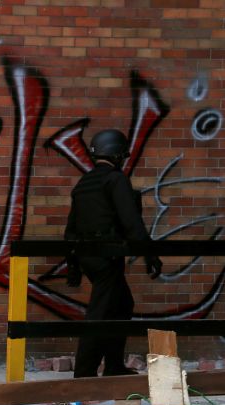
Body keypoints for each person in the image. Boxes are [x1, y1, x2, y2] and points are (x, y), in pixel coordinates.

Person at [64, 129, 162, 378]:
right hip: (107, 257)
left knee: (122, 304)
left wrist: (73, 266)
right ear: (118, 154)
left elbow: (71, 228)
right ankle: (84, 373)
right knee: (99, 313)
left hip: (88, 257)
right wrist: (150, 255)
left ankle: (114, 365)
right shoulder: (115, 179)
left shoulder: (84, 183)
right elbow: (131, 222)